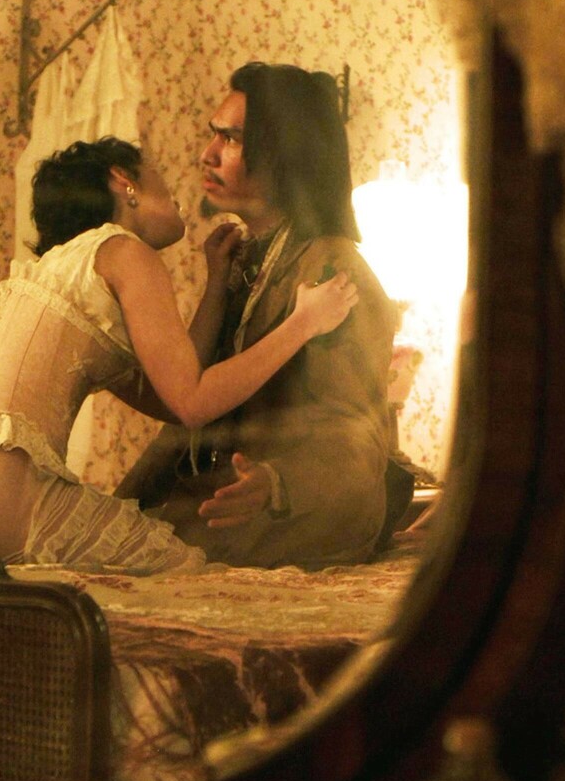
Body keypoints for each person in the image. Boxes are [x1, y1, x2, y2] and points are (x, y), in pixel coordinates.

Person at [0, 137, 359, 574]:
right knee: (190, 574)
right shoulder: (125, 250)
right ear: (123, 180)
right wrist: (305, 322)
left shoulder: (64, 269)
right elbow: (194, 403)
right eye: (159, 175)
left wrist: (216, 281)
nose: (176, 193)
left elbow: (172, 395)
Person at [115, 63, 407, 570]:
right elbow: (192, 405)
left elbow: (358, 440)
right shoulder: (243, 257)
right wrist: (123, 505)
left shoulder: (334, 273)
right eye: (214, 135)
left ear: (286, 154)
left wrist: (276, 484)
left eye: (231, 139)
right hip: (226, 500)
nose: (208, 154)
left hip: (300, 519)